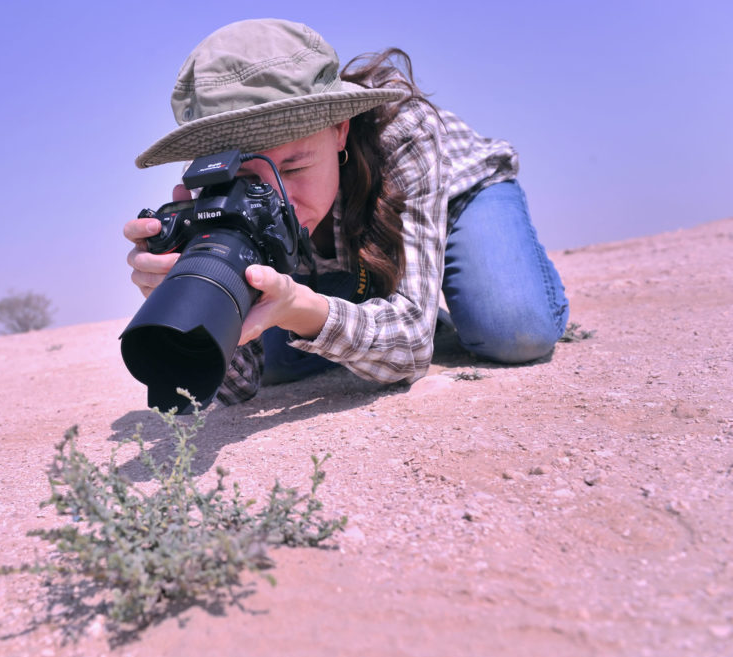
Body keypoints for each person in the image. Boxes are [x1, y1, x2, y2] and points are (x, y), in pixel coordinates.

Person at [124, 18, 569, 405]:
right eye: (250, 181)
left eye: (295, 166)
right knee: (281, 360)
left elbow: (412, 349)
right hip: (349, 249)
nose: (281, 196)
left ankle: (432, 286)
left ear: (339, 130)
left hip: (455, 192)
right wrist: (187, 287)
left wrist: (302, 307)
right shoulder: (212, 194)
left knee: (513, 329)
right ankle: (389, 302)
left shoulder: (402, 131)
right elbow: (240, 388)